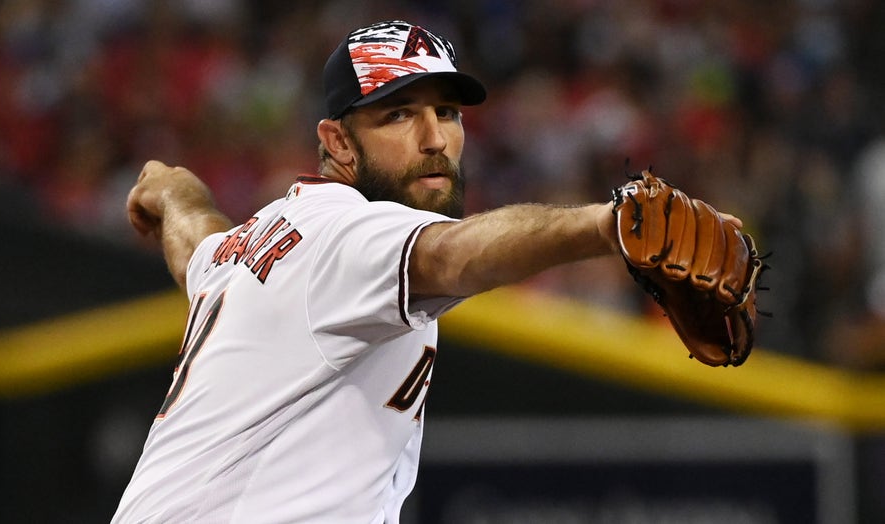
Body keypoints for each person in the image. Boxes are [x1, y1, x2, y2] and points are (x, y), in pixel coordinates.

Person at [113, 20, 740, 523]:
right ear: (336, 143)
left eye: (448, 112)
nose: (434, 136)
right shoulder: (348, 232)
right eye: (397, 114)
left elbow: (197, 243)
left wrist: (173, 192)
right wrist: (607, 226)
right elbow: (453, 253)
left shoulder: (254, 245)